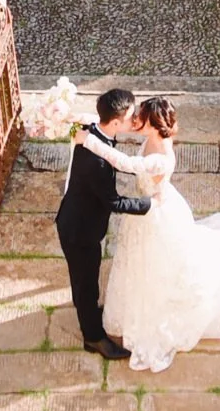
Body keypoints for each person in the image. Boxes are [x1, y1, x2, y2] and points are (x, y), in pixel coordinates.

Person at [83, 95, 220, 373]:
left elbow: (125, 163)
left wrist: (87, 141)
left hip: (157, 215)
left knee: (161, 267)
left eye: (141, 116)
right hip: (147, 211)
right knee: (139, 266)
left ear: (154, 124)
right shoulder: (152, 139)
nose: (135, 120)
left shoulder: (161, 158)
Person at [54, 86, 152, 359]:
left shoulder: (93, 129)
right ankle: (94, 338)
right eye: (131, 116)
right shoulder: (96, 162)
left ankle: (90, 314)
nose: (134, 120)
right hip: (79, 231)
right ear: (117, 122)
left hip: (81, 223)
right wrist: (148, 205)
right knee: (85, 284)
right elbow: (114, 202)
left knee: (87, 280)